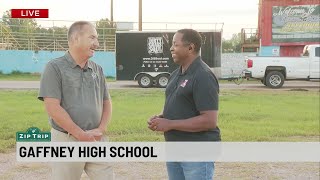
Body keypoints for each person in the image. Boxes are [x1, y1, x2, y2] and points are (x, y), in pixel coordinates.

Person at [38, 21, 113, 180]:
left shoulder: (97, 69)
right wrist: (80, 134)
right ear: (76, 38)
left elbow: (106, 102)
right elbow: (52, 107)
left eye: (97, 39)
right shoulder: (54, 68)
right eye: (92, 38)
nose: (97, 44)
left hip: (96, 139)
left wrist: (101, 129)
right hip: (67, 140)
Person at [148, 29, 220, 180]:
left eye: (175, 44)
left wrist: (170, 124)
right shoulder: (176, 74)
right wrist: (161, 118)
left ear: (190, 48)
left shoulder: (203, 75)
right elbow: (181, 104)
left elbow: (209, 121)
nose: (171, 48)